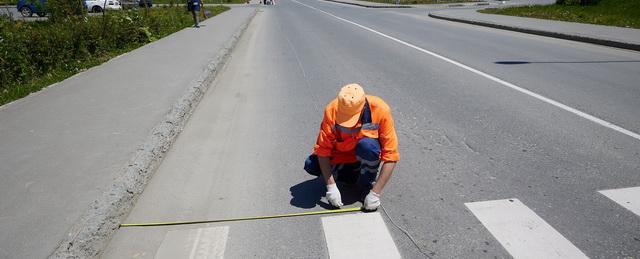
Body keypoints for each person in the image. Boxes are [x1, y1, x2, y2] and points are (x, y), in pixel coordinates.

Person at [304, 83, 399, 211]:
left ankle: (367, 184)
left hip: (363, 153)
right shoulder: (332, 110)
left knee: (368, 146)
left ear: (362, 107)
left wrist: (375, 193)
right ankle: (351, 174)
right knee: (311, 164)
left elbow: (391, 156)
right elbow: (322, 150)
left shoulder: (380, 110)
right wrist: (331, 187)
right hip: (341, 155)